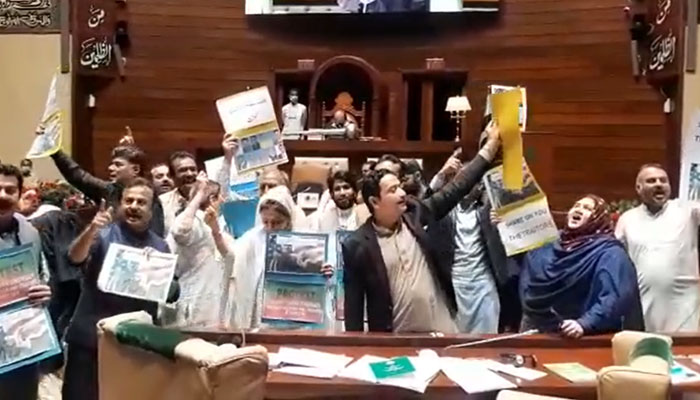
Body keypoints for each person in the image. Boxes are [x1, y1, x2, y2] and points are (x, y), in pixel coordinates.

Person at [341, 124, 501, 333]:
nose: (401, 193)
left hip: (442, 331)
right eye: (393, 190)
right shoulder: (356, 245)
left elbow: (456, 189)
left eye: (400, 186)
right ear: (375, 201)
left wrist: (488, 150)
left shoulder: (414, 213)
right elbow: (353, 312)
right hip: (396, 344)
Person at [63, 178, 179, 400]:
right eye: (129, 200)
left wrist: (155, 271)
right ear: (120, 204)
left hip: (132, 344)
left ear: (151, 210)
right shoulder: (102, 235)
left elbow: (171, 292)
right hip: (90, 341)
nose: (133, 206)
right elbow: (74, 257)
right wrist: (92, 229)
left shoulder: (160, 246)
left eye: (141, 202)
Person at [519, 195, 643, 338]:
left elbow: (614, 297)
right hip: (538, 328)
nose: (579, 209)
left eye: (587, 208)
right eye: (576, 206)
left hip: (582, 335)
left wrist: (586, 322)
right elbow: (528, 274)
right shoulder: (549, 245)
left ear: (598, 218)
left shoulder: (610, 253)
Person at [615, 164, 700, 332]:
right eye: (651, 181)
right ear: (639, 188)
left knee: (683, 354)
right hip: (643, 301)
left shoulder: (687, 211)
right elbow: (615, 258)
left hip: (684, 303)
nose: (659, 184)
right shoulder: (627, 219)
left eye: (663, 180)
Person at [229, 185, 326, 330]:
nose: (270, 227)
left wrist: (323, 269)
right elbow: (231, 256)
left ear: (288, 218)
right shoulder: (253, 237)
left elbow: (319, 268)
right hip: (263, 312)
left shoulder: (305, 240)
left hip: (297, 312)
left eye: (276, 223)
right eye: (265, 222)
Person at [0, 164, 52, 400]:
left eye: (10, 190)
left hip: (21, 343)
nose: (3, 196)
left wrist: (44, 293)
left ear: (20, 194)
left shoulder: (30, 232)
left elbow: (42, 276)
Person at [50, 142, 165, 237]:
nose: (111, 168)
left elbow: (155, 235)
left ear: (135, 169)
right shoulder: (109, 190)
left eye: (118, 165)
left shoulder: (150, 198)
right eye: (112, 164)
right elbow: (79, 176)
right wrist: (55, 152)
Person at [168, 172, 234, 328]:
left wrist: (216, 231)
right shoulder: (194, 221)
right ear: (212, 199)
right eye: (219, 197)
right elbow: (179, 231)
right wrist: (198, 197)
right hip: (193, 303)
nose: (223, 201)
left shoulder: (212, 224)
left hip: (210, 304)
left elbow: (230, 256)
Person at [160, 150, 198, 233]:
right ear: (172, 176)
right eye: (183, 170)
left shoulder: (210, 198)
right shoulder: (162, 202)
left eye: (193, 169)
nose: (190, 174)